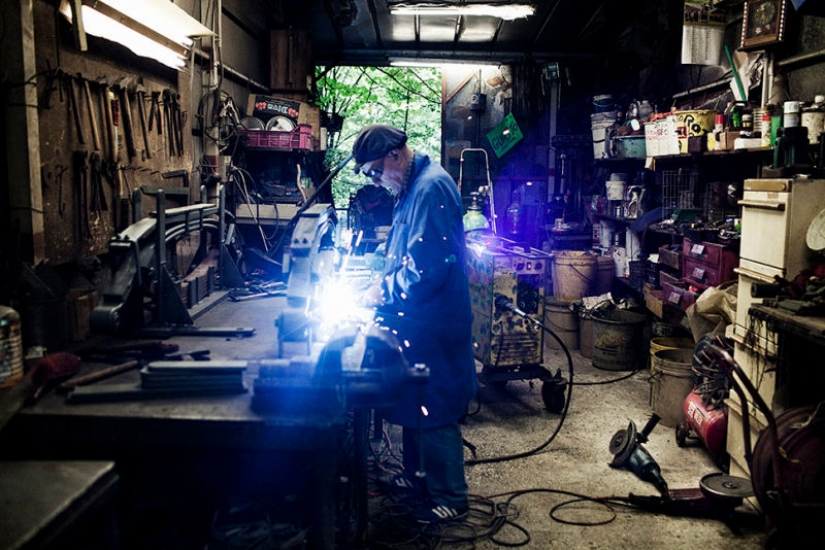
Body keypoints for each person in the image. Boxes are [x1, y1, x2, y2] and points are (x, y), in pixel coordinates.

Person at [352, 124, 477, 524]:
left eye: (374, 171)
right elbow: (407, 250)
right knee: (413, 400)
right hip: (417, 318)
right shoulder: (410, 186)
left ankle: (451, 497)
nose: (375, 181)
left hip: (436, 320)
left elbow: (426, 269)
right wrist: (380, 275)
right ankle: (415, 476)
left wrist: (382, 292)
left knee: (435, 406)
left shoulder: (430, 188)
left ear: (394, 156)